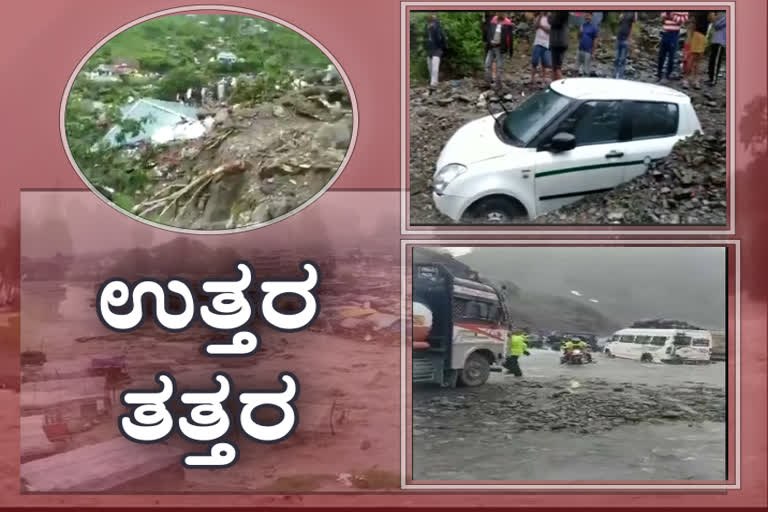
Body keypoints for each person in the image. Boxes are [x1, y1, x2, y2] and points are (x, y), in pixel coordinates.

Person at [657, 11, 689, 83]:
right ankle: (659, 74)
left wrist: (672, 16)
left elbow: (684, 20)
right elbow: (662, 18)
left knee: (671, 55)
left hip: (674, 33)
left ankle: (668, 75)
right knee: (661, 54)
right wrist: (664, 17)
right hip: (665, 32)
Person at [684, 11, 712, 89]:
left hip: (701, 35)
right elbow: (711, 18)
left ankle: (693, 80)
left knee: (696, 59)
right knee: (694, 59)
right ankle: (689, 80)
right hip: (698, 34)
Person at [484, 12, 513, 90]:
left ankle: (498, 84)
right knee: (487, 64)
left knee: (499, 66)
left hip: (500, 47)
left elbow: (510, 38)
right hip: (491, 46)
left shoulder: (508, 23)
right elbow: (489, 33)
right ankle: (487, 82)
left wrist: (510, 50)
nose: (500, 13)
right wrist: (489, 42)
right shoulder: (493, 20)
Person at [424, 15, 446, 89]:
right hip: (429, 50)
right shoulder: (426, 30)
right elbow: (424, 41)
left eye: (433, 22)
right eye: (430, 22)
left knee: (435, 67)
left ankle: (434, 84)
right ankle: (433, 81)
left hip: (437, 49)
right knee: (430, 66)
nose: (431, 24)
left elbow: (441, 39)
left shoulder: (437, 29)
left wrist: (441, 48)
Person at [613, 11, 637, 79]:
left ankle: (620, 76)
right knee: (616, 58)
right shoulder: (623, 13)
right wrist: (620, 19)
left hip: (625, 39)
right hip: (619, 38)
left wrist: (629, 38)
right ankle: (614, 75)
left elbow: (633, 25)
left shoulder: (633, 13)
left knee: (622, 59)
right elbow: (619, 24)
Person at [530, 12, 552, 87]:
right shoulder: (538, 17)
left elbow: (549, 30)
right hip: (537, 42)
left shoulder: (550, 18)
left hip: (546, 43)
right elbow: (535, 27)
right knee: (534, 61)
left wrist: (541, 26)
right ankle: (532, 79)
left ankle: (543, 79)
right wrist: (539, 18)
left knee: (544, 63)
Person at [549, 11, 570, 81]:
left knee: (556, 68)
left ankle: (561, 85)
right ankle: (554, 83)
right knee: (556, 67)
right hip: (560, 42)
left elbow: (553, 22)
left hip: (558, 42)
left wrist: (549, 15)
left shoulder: (561, 13)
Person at [707, 12, 726, 86]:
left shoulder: (727, 16)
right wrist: (715, 18)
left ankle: (713, 80)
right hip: (715, 41)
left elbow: (717, 25)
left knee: (716, 62)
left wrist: (714, 18)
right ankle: (710, 78)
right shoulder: (720, 15)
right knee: (712, 61)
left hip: (720, 42)